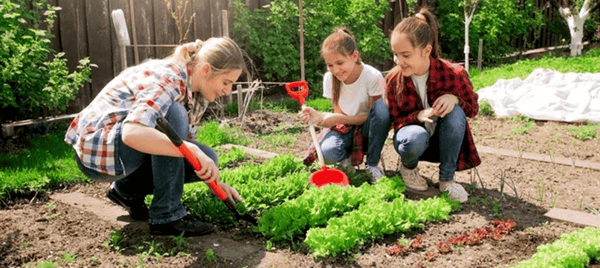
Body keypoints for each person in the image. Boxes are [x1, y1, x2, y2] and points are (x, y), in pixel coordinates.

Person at [64, 37, 245, 236]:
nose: (228, 91)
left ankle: (125, 191)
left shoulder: (197, 91)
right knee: (174, 113)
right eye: (226, 82)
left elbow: (182, 141)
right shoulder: (170, 79)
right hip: (99, 152)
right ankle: (167, 217)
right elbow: (132, 133)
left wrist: (215, 183)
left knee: (207, 157)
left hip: (121, 151)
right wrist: (190, 149)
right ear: (206, 70)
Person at [385, 8, 481, 203]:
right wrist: (418, 116)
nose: (399, 61)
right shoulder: (393, 80)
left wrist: (455, 99)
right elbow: (396, 121)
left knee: (456, 114)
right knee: (414, 137)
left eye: (405, 55)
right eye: (396, 54)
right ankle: (409, 169)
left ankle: (447, 181)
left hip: (443, 145)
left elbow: (473, 109)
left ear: (426, 50)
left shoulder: (453, 74)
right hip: (413, 143)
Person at [301, 28, 391, 183]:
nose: (335, 70)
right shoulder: (330, 78)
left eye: (340, 63)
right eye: (330, 65)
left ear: (354, 56)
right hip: (346, 127)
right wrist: (319, 117)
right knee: (327, 153)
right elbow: (339, 115)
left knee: (382, 108)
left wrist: (337, 118)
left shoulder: (372, 76)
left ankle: (372, 164)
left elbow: (375, 116)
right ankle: (347, 158)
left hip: (370, 129)